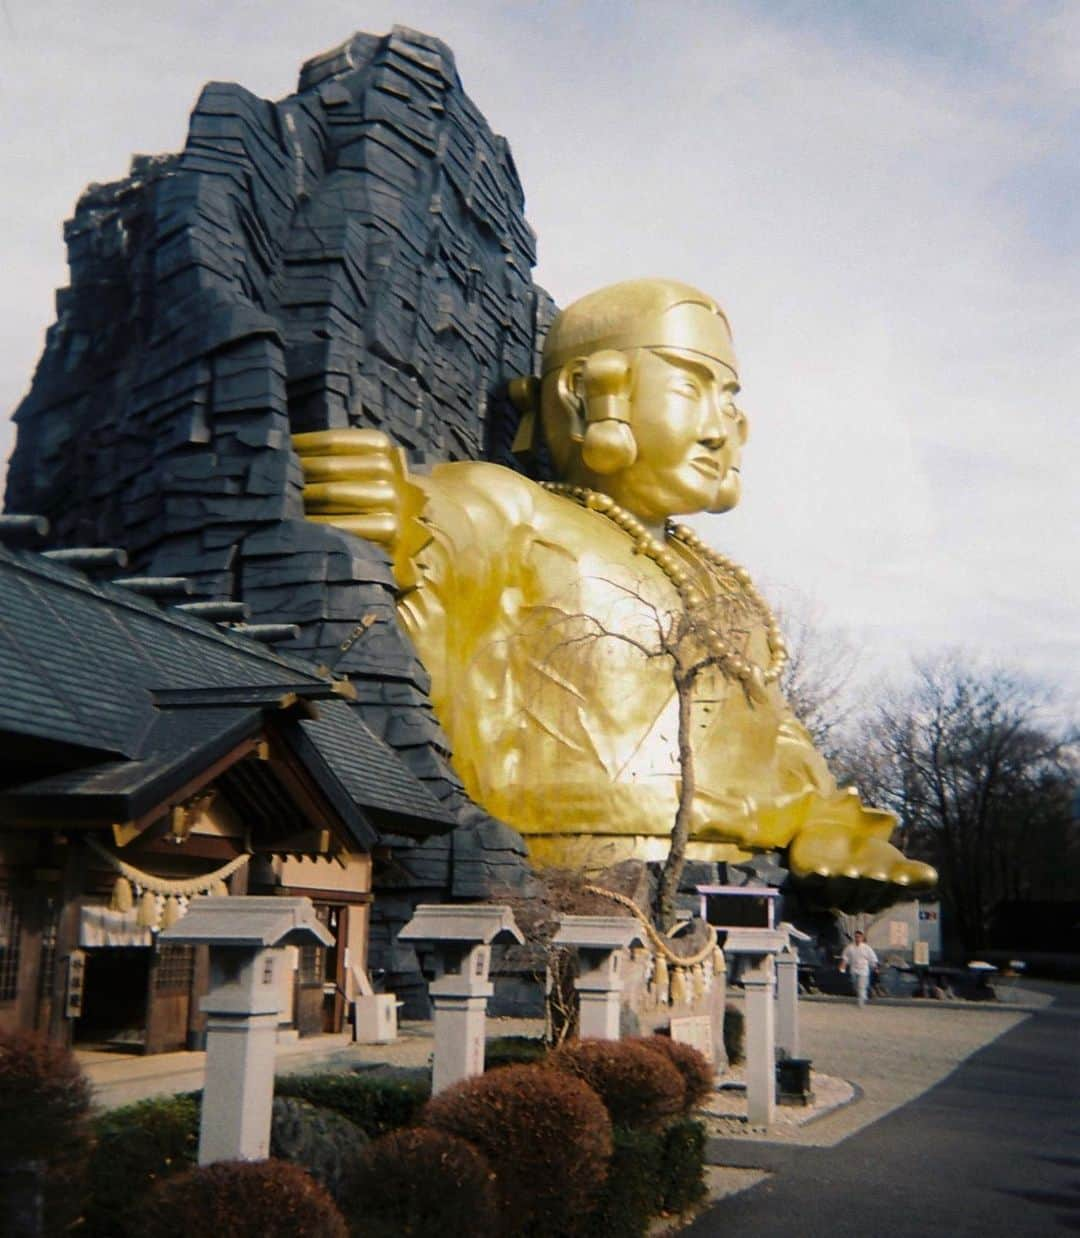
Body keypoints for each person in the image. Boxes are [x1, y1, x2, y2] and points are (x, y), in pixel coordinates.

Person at [292, 278, 936, 906]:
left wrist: (827, 820)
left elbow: (779, 735)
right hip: (567, 876)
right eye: (691, 387)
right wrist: (384, 509)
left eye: (731, 401)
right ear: (584, 392)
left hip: (736, 871)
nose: (721, 430)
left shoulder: (724, 583)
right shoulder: (511, 510)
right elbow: (429, 534)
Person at [839, 930, 879, 1006]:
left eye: (859, 937)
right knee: (855, 985)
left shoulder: (867, 948)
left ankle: (861, 1002)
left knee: (862, 986)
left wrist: (875, 968)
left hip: (863, 970)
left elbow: (872, 958)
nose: (857, 938)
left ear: (862, 937)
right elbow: (845, 958)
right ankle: (863, 996)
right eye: (856, 937)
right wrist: (842, 966)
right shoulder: (850, 947)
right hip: (853, 970)